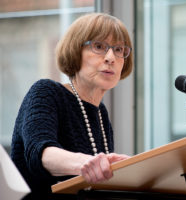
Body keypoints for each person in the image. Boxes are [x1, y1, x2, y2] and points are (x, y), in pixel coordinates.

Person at [10, 13, 133, 199]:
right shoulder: (46, 92)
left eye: (118, 49)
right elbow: (40, 152)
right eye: (99, 46)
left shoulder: (100, 113)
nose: (111, 57)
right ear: (75, 51)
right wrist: (88, 163)